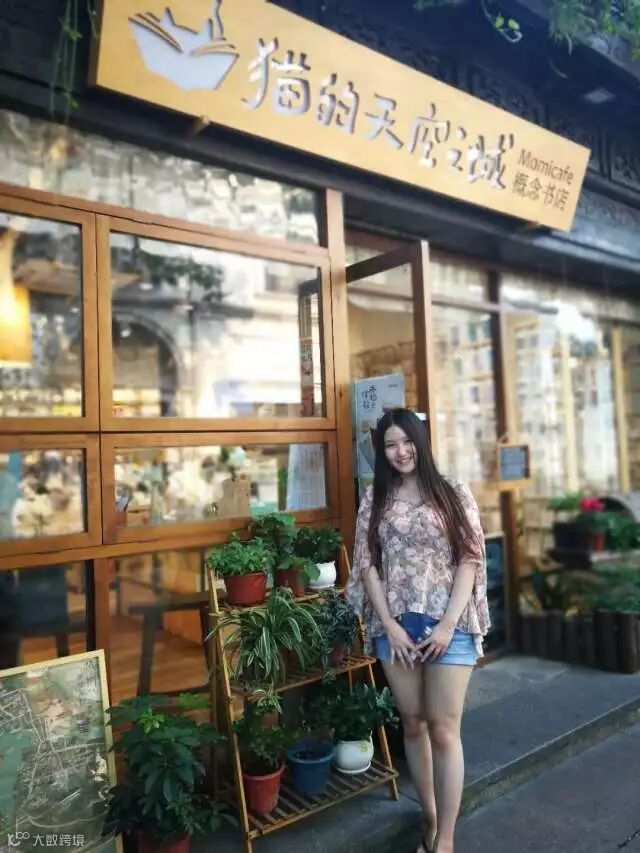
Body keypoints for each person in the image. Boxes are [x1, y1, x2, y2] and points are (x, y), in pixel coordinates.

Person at [346, 408, 489, 853]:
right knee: (412, 723)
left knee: (444, 729)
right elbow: (367, 562)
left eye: (407, 441)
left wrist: (446, 626)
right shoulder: (376, 497)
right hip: (397, 626)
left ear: (421, 442)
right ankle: (430, 818)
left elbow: (470, 559)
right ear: (381, 451)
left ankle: (444, 841)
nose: (401, 451)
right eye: (390, 445)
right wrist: (388, 624)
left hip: (450, 624)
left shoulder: (452, 491)